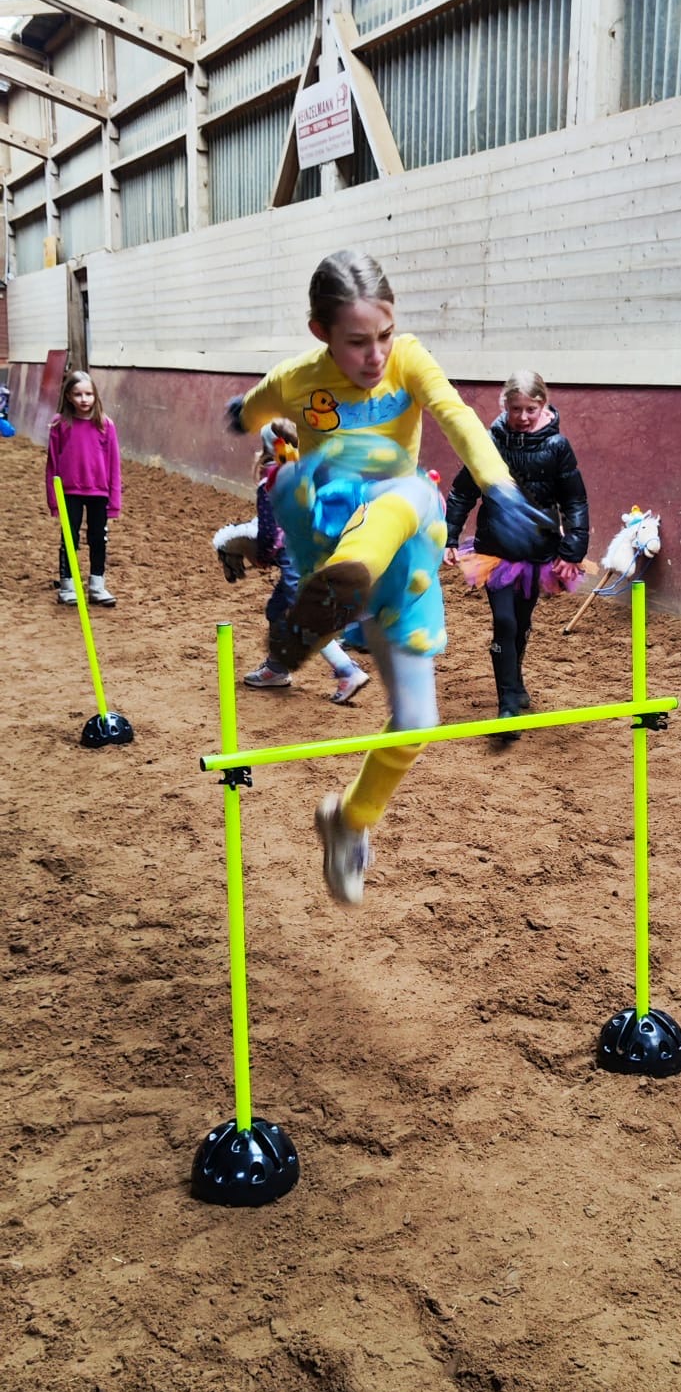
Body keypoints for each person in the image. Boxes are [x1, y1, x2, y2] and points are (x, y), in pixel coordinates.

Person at [225, 249, 554, 906]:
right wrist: (244, 415)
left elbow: (455, 415)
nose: (376, 355)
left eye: (385, 334)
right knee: (415, 492)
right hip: (332, 526)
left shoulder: (408, 360)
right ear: (321, 332)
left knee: (418, 719)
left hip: (403, 556)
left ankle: (348, 820)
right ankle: (336, 588)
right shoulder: (298, 378)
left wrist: (499, 486)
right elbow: (254, 408)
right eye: (357, 342)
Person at [443, 370, 589, 743]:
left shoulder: (557, 447)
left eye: (530, 409)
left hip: (537, 553)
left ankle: (516, 679)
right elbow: (463, 491)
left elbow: (574, 500)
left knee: (522, 623)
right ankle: (507, 704)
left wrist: (573, 549)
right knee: (505, 622)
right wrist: (450, 536)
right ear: (504, 406)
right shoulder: (488, 442)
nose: (522, 417)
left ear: (543, 405)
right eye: (515, 409)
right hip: (495, 551)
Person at [214, 417, 370, 701]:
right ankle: (276, 669)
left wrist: (260, 556)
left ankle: (347, 670)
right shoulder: (314, 472)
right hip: (322, 552)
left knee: (301, 616)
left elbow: (269, 533)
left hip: (295, 562)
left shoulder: (272, 482)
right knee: (277, 610)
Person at [46, 370, 121, 606]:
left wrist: (114, 501)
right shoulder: (59, 424)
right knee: (69, 538)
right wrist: (54, 500)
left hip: (99, 492)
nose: (84, 399)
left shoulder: (106, 425)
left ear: (95, 395)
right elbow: (52, 464)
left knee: (98, 538)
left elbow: (114, 464)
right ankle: (67, 585)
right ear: (69, 396)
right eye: (78, 394)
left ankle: (97, 585)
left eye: (88, 394)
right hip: (69, 493)